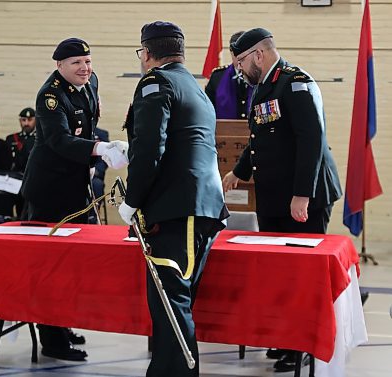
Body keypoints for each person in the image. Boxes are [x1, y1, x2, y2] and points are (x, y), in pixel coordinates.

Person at [222, 27, 342, 373]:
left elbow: (311, 140)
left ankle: (303, 346)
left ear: (258, 54)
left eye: (241, 63)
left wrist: (301, 195)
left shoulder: (296, 82)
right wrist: (239, 172)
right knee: (278, 273)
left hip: (304, 197)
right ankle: (285, 339)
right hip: (275, 197)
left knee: (301, 277)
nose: (239, 71)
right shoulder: (264, 87)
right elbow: (261, 137)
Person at [118, 21, 228, 377]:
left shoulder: (156, 82)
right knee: (174, 306)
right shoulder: (195, 87)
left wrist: (132, 200)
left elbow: (150, 149)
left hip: (179, 209)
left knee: (170, 307)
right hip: (199, 206)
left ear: (146, 53)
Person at [21, 37, 128, 361]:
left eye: (88, 61)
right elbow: (58, 139)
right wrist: (99, 148)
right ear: (59, 66)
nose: (85, 68)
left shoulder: (89, 83)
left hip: (73, 187)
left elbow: (88, 122)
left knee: (70, 265)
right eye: (76, 63)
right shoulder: (50, 96)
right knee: (50, 267)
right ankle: (51, 339)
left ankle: (62, 324)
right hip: (49, 191)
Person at [205, 31, 254, 120]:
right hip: (224, 131)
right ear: (231, 51)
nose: (241, 58)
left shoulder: (260, 77)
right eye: (237, 54)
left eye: (245, 54)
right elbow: (207, 110)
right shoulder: (218, 77)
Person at [5, 107, 36, 173]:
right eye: (23, 120)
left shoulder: (41, 139)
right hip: (14, 175)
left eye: (30, 120)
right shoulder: (11, 138)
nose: (26, 123)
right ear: (20, 121)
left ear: (36, 121)